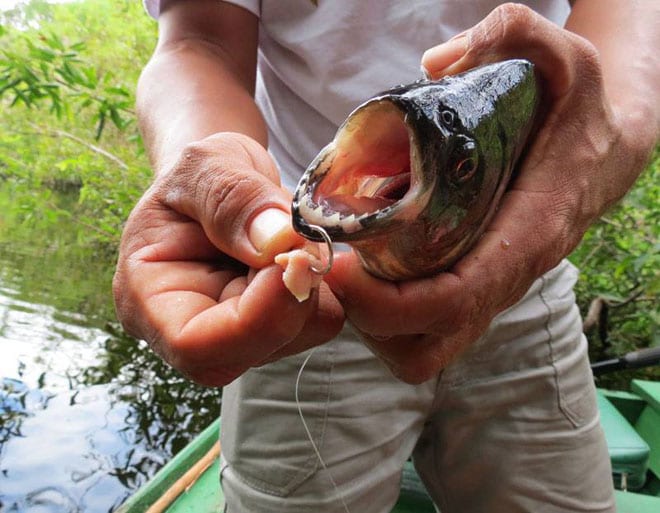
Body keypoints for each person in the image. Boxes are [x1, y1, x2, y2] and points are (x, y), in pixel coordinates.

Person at [114, 0, 659, 511]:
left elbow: (628, 50)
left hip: (529, 277)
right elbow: (199, 44)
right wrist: (211, 168)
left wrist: (583, 179)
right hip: (301, 293)